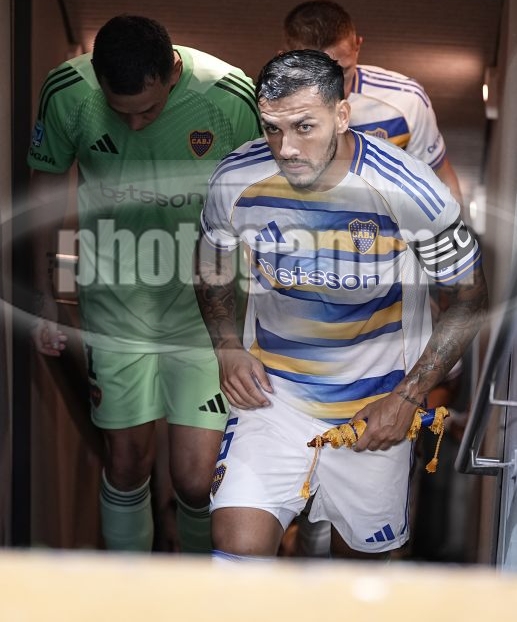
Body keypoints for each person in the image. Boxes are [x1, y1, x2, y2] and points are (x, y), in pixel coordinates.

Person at [194, 49, 487, 560]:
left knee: (357, 581)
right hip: (273, 399)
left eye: (304, 126)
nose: (286, 148)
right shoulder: (235, 179)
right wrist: (225, 346)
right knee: (235, 553)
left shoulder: (409, 188)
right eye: (272, 129)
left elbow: (470, 296)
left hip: (375, 410)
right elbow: (211, 265)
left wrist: (409, 397)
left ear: (342, 115)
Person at [28, 15, 261, 553]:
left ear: (172, 73)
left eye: (149, 111)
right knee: (128, 462)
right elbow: (44, 196)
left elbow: (264, 201)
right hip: (115, 304)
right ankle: (125, 591)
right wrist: (46, 296)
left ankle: (198, 588)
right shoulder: (68, 92)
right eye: (121, 112)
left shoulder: (229, 97)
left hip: (206, 312)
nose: (134, 125)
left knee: (197, 479)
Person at [282, 0, 465, 556]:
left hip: (392, 292)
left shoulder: (403, 101)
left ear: (358, 45)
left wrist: (446, 274)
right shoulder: (270, 103)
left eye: (340, 66)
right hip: (306, 293)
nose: (330, 80)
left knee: (373, 456)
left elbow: (442, 183)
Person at [282, 0, 463, 206]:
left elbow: (440, 178)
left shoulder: (406, 100)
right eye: (315, 76)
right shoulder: (267, 109)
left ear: (357, 47)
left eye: (343, 71)